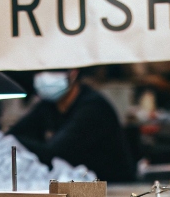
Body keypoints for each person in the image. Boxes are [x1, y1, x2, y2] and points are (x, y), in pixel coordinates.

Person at [7, 69, 135, 182]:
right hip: (75, 186)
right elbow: (14, 134)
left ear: (73, 73)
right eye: (41, 71)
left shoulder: (93, 108)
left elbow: (54, 153)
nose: (45, 76)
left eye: (53, 72)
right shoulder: (48, 106)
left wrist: (13, 142)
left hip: (110, 190)